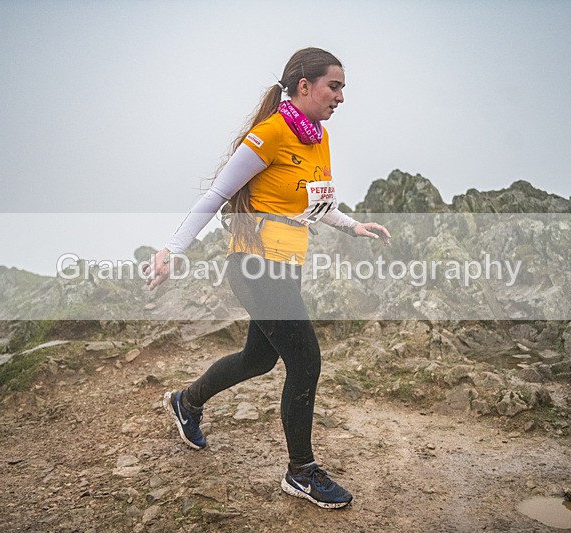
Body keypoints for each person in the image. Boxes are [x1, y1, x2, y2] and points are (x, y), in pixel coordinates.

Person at [144, 47, 391, 509]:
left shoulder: (318, 138)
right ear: (303, 86)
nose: (340, 97)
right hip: (256, 268)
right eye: (333, 87)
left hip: (286, 267)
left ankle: (186, 402)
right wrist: (170, 251)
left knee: (258, 358)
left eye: (342, 89)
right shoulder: (270, 134)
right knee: (305, 361)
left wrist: (353, 225)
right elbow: (217, 194)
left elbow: (314, 204)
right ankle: (300, 471)